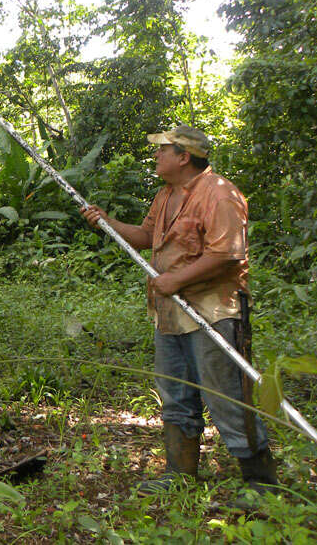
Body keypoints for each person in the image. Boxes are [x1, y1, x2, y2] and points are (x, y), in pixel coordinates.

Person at [81, 125, 277, 500]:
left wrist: (177, 279)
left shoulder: (219, 194)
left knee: (227, 395)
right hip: (170, 314)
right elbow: (145, 235)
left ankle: (261, 484)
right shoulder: (165, 194)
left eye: (163, 150)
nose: (156, 156)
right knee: (175, 394)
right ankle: (180, 473)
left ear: (183, 156)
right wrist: (107, 222)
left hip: (213, 312)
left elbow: (227, 254)